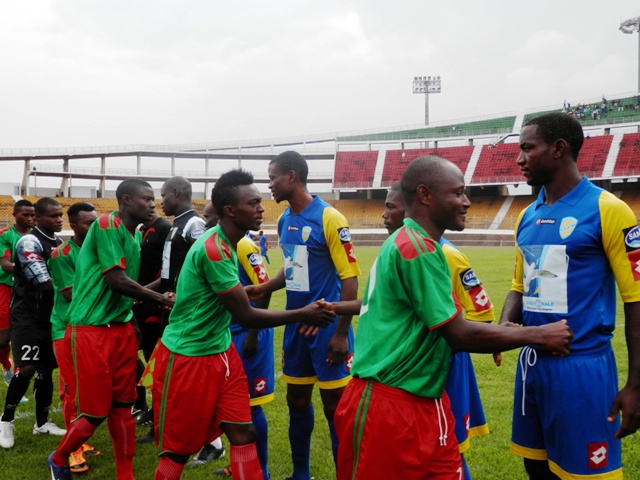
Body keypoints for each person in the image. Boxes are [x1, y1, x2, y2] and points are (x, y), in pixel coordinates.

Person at [330, 156, 573, 480]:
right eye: (457, 193)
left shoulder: (418, 245)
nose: (467, 202)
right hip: (389, 405)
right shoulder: (415, 248)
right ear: (425, 195)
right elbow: (459, 334)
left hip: (427, 400)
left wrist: (503, 331)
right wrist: (540, 335)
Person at [152, 169, 335, 480]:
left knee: (244, 432)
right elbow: (247, 315)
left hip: (221, 351)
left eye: (260, 201)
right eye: (253, 203)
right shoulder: (214, 249)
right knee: (179, 449)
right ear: (230, 211)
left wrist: (253, 291)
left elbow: (234, 295)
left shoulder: (231, 243)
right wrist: (304, 313)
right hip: (190, 356)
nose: (261, 208)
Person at [499, 112, 640, 479]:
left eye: (527, 148)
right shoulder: (526, 216)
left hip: (583, 369)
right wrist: (504, 326)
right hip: (532, 365)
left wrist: (636, 384)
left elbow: (636, 298)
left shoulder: (608, 209)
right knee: (536, 467)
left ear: (559, 149)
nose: (519, 159)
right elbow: (520, 286)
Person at [47, 179, 175, 480]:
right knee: (94, 412)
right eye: (147, 199)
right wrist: (160, 298)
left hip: (119, 329)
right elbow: (116, 281)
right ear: (126, 200)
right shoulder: (107, 224)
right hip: (91, 330)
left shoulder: (135, 236)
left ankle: (125, 475)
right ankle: (59, 459)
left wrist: (133, 323)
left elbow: (126, 291)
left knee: (123, 408)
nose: (153, 204)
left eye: (154, 199)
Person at [246, 150, 360, 480]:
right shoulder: (285, 220)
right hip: (296, 324)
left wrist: (341, 333)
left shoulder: (329, 217)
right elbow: (294, 268)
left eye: (272, 178)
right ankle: (300, 475)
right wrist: (264, 287)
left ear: (291, 177)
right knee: (296, 402)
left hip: (326, 327)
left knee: (335, 409)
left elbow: (350, 278)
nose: (269, 185)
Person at [382, 182, 494, 480]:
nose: (384, 215)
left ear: (412, 210)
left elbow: (481, 313)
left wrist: (449, 342)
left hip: (445, 366)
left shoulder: (448, 255)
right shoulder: (396, 251)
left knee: (448, 444)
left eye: (391, 207)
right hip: (411, 368)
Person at [202, 202, 273, 478]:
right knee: (233, 405)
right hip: (229, 333)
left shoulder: (243, 245)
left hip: (248, 333)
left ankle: (261, 471)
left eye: (208, 217)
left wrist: (253, 332)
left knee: (250, 404)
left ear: (222, 215)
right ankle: (240, 462)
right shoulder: (218, 245)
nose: (205, 223)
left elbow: (264, 286)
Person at [0, 197, 65, 449]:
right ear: (38, 218)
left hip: (49, 317)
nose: (59, 220)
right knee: (27, 368)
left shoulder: (57, 243)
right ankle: (6, 420)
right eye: (53, 216)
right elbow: (44, 283)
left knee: (46, 369)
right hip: (27, 316)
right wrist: (78, 287)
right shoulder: (29, 242)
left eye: (61, 215)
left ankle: (42, 423)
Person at [48, 202, 100, 473]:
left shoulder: (98, 248)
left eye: (96, 222)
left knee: (90, 388)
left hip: (91, 328)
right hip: (66, 329)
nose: (94, 227)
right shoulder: (62, 254)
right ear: (74, 226)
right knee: (71, 390)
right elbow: (70, 293)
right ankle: (72, 451)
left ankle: (79, 439)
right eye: (89, 223)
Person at [132, 210, 172, 427]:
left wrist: (142, 292)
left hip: (153, 301)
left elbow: (166, 273)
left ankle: (160, 410)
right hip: (141, 299)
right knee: (142, 351)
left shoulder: (164, 229)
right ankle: (146, 406)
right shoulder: (141, 230)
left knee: (155, 355)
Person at [0, 200, 35, 385]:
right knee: (3, 340)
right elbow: (6, 265)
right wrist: (33, 270)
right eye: (25, 215)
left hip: (28, 291)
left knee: (22, 335)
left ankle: (17, 377)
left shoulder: (36, 236)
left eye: (32, 215)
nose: (29, 218)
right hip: (5, 288)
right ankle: (6, 365)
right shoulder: (5, 235)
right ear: (14, 215)